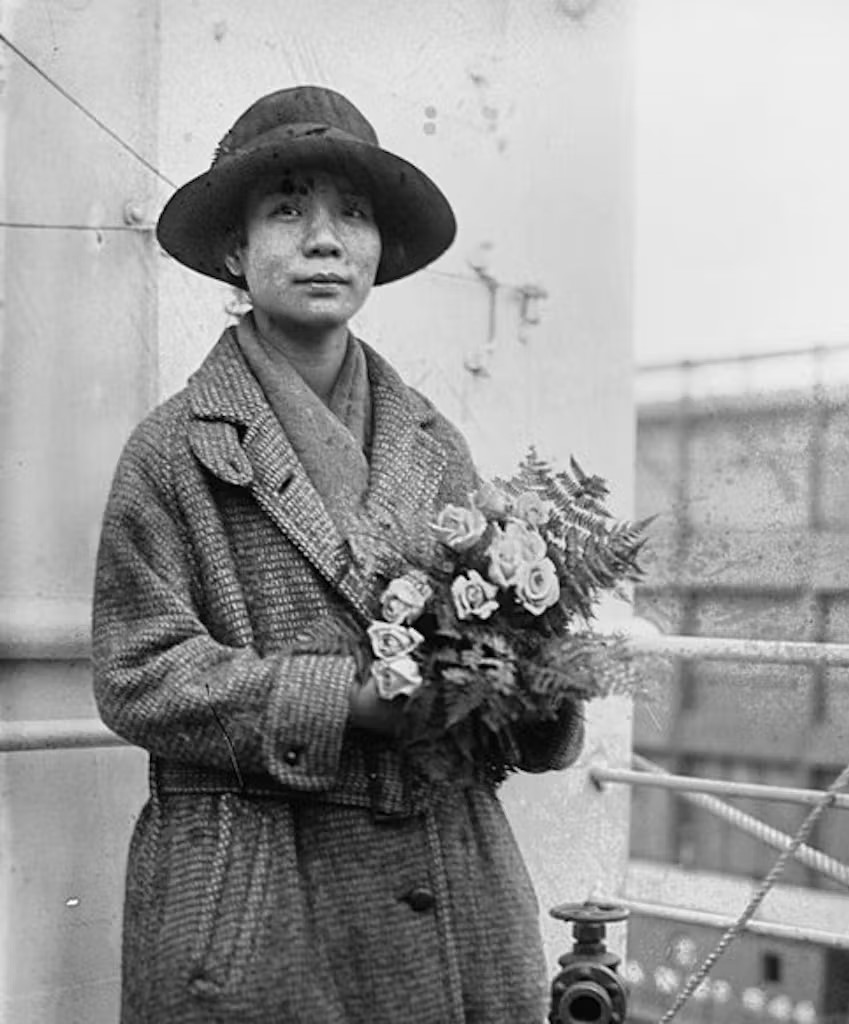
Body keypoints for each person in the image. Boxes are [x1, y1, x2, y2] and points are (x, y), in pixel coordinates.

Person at [91, 85, 583, 1024]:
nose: (325, 239)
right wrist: (340, 700)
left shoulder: (432, 441)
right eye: (287, 210)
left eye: (351, 214)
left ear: (377, 250)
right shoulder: (172, 451)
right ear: (235, 251)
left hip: (449, 883)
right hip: (254, 894)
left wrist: (534, 685)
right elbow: (135, 675)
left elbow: (493, 641)